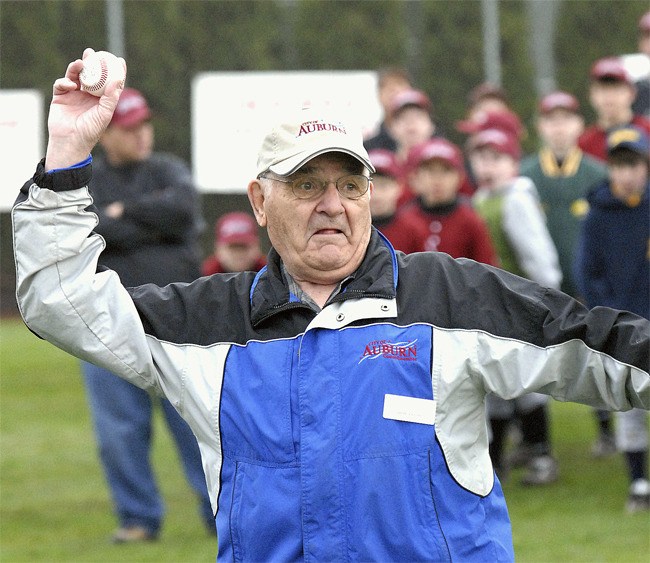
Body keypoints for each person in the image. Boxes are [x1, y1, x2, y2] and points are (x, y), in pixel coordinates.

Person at [12, 50, 650, 561]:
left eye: (350, 185)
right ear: (260, 202)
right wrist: (68, 153)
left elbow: (596, 345)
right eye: (307, 185)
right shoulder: (204, 322)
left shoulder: (448, 295)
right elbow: (60, 302)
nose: (332, 204)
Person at [75, 86, 213, 542]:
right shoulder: (88, 177)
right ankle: (137, 519)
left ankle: (220, 512)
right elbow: (92, 227)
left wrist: (126, 215)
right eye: (129, 128)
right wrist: (149, 226)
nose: (141, 135)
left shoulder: (168, 168)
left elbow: (183, 210)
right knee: (119, 429)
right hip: (108, 321)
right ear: (106, 134)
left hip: (178, 321)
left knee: (198, 422)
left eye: (144, 125)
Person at [468, 125, 562, 485]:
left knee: (528, 383)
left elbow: (538, 257)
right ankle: (497, 460)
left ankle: (541, 455)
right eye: (480, 157)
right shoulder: (481, 200)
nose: (487, 165)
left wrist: (546, 302)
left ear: (513, 162)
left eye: (497, 157)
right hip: (489, 309)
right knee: (494, 385)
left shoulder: (516, 199)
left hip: (519, 305)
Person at [520, 92, 611, 458]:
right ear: (540, 126)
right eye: (550, 119)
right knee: (532, 361)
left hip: (587, 284)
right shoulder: (526, 176)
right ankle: (537, 446)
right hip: (538, 287)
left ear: (579, 125)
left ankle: (606, 431)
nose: (558, 127)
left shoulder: (596, 173)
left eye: (566, 118)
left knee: (599, 355)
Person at [575, 126, 650, 513]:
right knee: (630, 405)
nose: (628, 173)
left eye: (634, 163)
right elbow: (588, 272)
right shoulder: (598, 214)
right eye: (619, 165)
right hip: (623, 325)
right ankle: (638, 481)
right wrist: (609, 317)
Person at [398, 137, 498, 265]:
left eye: (446, 171)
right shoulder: (404, 219)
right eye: (430, 171)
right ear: (416, 177)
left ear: (460, 177)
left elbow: (487, 267)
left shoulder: (470, 219)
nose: (438, 179)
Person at [578, 56, 650, 162]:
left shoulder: (647, 131)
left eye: (615, 89)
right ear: (590, 95)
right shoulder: (583, 144)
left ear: (632, 93)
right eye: (602, 89)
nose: (609, 97)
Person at [367, 149, 428, 254]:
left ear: (400, 187)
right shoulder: (352, 227)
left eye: (384, 186)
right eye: (369, 186)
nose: (376, 194)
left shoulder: (414, 229)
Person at [363, 66, 413, 152]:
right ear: (379, 95)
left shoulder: (433, 141)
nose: (393, 89)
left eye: (399, 83)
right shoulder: (369, 148)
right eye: (385, 86)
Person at [202, 211, 266, 275]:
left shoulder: (269, 273)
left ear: (257, 247)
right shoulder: (203, 276)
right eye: (232, 248)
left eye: (244, 247)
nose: (238, 254)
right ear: (218, 249)